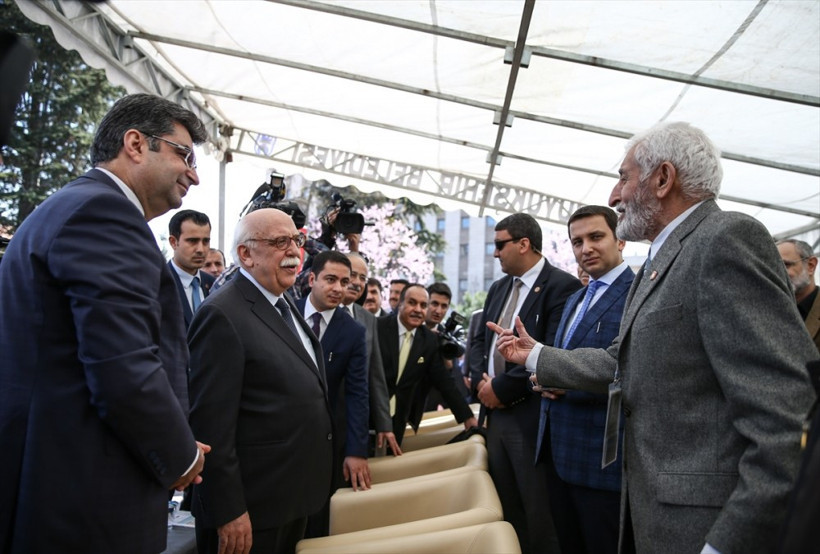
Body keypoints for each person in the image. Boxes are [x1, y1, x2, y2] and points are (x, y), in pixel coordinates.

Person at [493, 121, 817, 554]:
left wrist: (727, 544)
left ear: (663, 179)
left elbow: (788, 419)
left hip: (706, 526)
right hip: (656, 514)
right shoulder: (658, 262)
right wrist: (536, 355)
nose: (614, 196)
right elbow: (620, 362)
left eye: (623, 177)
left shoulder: (726, 238)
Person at [0, 93, 209, 553]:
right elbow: (123, 368)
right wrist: (182, 455)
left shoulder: (75, 205)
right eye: (184, 154)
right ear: (136, 144)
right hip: (82, 497)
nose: (193, 174)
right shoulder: (106, 213)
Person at [188, 208, 334, 554]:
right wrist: (229, 510)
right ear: (245, 254)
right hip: (249, 511)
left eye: (297, 240)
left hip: (290, 498)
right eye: (280, 242)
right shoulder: (222, 314)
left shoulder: (283, 303)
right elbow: (210, 427)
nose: (295, 252)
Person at [470, 212, 581, 554]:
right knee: (505, 507)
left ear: (523, 244)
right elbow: (478, 343)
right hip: (495, 416)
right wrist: (480, 384)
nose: (495, 253)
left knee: (538, 514)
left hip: (530, 417)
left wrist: (499, 389)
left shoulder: (562, 287)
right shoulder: (499, 287)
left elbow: (551, 350)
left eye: (500, 244)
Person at [535, 205, 634, 554]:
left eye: (596, 237)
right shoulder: (576, 297)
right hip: (557, 455)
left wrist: (538, 358)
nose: (585, 248)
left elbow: (622, 367)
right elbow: (565, 360)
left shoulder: (638, 294)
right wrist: (544, 379)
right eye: (577, 241)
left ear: (620, 239)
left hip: (601, 461)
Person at [297, 250, 370, 537]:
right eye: (330, 279)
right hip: (279, 438)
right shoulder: (283, 312)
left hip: (324, 443)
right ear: (312, 279)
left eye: (344, 281)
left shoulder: (352, 332)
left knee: (316, 524)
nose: (339, 288)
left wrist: (356, 450)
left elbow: (357, 393)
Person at [378, 284, 478, 445]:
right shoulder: (377, 327)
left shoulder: (429, 340)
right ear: (400, 304)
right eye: (412, 303)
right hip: (367, 415)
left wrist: (467, 417)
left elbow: (444, 382)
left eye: (423, 305)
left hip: (399, 420)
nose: (418, 309)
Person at [341, 253, 401, 455]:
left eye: (363, 278)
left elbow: (375, 376)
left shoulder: (368, 319)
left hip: (356, 421)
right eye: (352, 275)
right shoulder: (316, 313)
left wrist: (384, 424)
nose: (357, 283)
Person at [168, 209, 215, 328]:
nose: (200, 249)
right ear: (173, 242)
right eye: (192, 241)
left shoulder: (213, 285)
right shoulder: (156, 283)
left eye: (206, 241)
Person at [777, 239, 819, 352]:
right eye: (773, 267)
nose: (777, 273)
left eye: (786, 265)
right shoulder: (769, 310)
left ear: (811, 266)